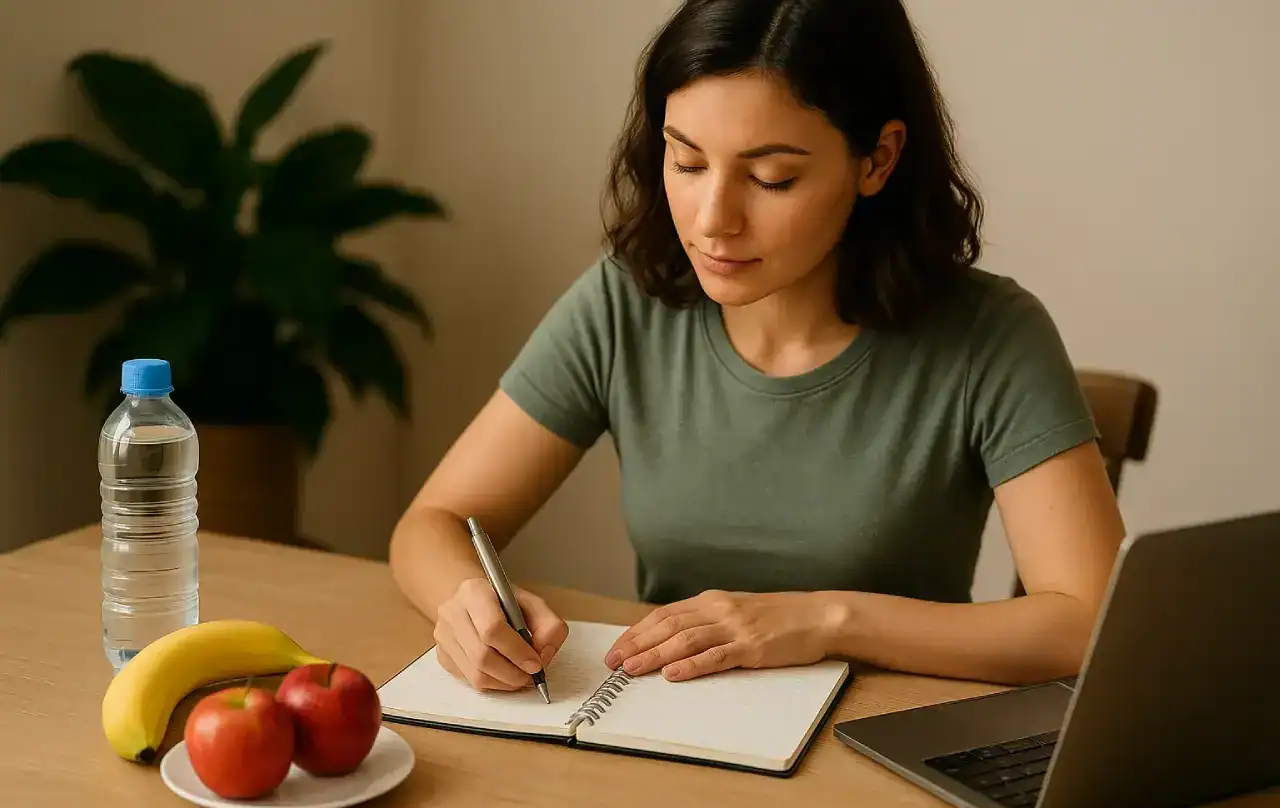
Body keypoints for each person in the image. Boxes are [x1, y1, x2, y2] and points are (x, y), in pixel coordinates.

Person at [389, 0, 1125, 695]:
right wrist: (467, 601)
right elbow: (434, 522)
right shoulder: (625, 303)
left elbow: (1088, 622)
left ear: (878, 160)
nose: (713, 220)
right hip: (675, 738)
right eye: (686, 162)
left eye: (772, 177)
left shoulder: (990, 335)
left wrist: (826, 619)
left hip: (885, 753)